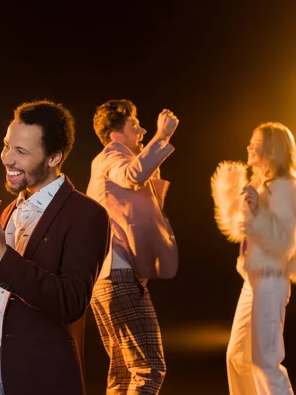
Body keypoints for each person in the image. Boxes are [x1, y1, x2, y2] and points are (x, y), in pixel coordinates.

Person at [0, 100, 111, 395]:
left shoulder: (88, 214)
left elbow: (71, 302)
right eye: (7, 146)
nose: (7, 158)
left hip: (42, 379)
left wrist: (1, 258)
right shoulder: (9, 211)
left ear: (55, 157)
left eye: (21, 152)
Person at [211, 122, 296, 395]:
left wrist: (256, 212)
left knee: (265, 360)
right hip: (253, 281)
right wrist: (230, 191)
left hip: (271, 279)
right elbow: (239, 230)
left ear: (272, 149)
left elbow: (284, 241)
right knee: (237, 357)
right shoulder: (262, 185)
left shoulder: (283, 188)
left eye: (255, 142)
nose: (249, 146)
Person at [86, 99, 179, 394]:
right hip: (119, 276)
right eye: (134, 125)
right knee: (149, 370)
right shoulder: (112, 155)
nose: (142, 130)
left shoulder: (109, 160)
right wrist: (161, 138)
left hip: (106, 279)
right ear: (116, 134)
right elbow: (132, 175)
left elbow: (143, 197)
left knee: (123, 373)